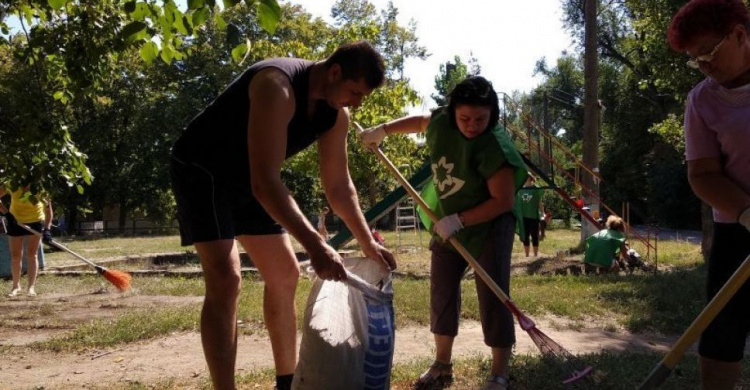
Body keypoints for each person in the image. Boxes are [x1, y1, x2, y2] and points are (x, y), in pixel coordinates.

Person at [169, 41, 397, 390]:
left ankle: (286, 382)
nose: (356, 102)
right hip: (204, 172)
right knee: (226, 280)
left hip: (252, 178)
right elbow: (265, 182)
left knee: (285, 274)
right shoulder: (276, 85)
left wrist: (368, 242)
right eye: (354, 91)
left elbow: (339, 187)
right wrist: (316, 246)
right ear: (335, 71)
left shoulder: (335, 115)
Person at [361, 76, 527, 390]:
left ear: (492, 115)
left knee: (494, 295)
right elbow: (421, 121)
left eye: (482, 118)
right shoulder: (441, 121)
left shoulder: (494, 146)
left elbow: (502, 201)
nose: (472, 125)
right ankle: (441, 365)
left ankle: (499, 373)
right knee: (442, 291)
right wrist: (382, 130)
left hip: (489, 224)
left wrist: (460, 220)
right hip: (447, 221)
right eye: (465, 118)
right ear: (452, 113)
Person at [667, 1, 750, 388]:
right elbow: (702, 174)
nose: (703, 66)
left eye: (708, 53)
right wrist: (747, 213)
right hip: (737, 230)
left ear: (739, 34)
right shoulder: (702, 100)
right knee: (722, 333)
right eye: (694, 59)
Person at [0, 185, 52, 297]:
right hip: (15, 221)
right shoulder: (12, 182)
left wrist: (47, 229)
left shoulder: (41, 185)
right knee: (15, 255)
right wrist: (7, 213)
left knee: (32, 255)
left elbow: (48, 211)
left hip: (36, 221)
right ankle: (15, 286)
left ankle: (31, 287)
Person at [517, 175, 544, 257]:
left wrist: (542, 213)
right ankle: (527, 255)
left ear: (528, 178)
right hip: (524, 217)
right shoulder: (521, 189)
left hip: (534, 216)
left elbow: (540, 203)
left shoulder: (536, 189)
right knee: (525, 236)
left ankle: (535, 255)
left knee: (534, 236)